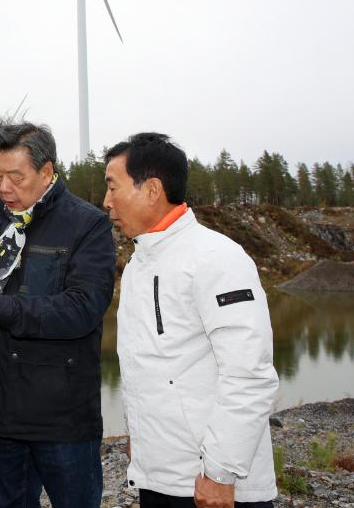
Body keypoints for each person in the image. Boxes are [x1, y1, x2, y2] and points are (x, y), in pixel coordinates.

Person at [103, 133, 278, 508]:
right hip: (160, 476)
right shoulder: (139, 264)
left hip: (212, 487)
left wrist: (220, 472)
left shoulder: (216, 258)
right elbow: (148, 364)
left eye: (113, 187)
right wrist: (138, 435)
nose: (106, 202)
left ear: (152, 190)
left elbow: (249, 375)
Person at [0, 118, 116, 508]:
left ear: (46, 172)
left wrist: (1, 309)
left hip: (63, 420)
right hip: (1, 412)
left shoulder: (87, 225)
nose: (4, 187)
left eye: (15, 177)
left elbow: (83, 309)